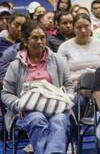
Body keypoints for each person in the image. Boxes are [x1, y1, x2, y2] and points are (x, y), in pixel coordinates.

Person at [2, 20, 73, 154]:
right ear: (25, 40)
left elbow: (68, 85)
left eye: (42, 38)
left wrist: (68, 100)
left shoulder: (57, 60)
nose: (40, 41)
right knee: (37, 119)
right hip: (27, 111)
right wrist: (18, 104)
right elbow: (6, 93)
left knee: (60, 120)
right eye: (35, 38)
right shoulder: (15, 66)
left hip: (56, 108)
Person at [57, 12, 100, 83]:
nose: (83, 30)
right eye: (79, 27)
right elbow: (62, 74)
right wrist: (84, 76)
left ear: (91, 26)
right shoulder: (64, 47)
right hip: (73, 84)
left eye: (86, 26)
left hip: (98, 82)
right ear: (73, 29)